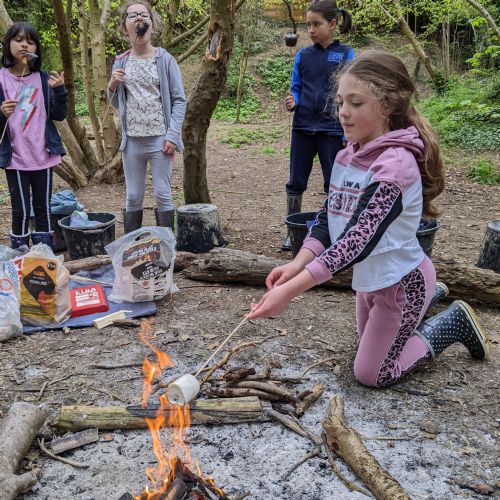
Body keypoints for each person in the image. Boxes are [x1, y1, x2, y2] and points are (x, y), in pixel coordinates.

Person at [249, 51, 490, 388]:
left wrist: (290, 291)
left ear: (387, 107)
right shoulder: (351, 152)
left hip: (401, 283)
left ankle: (450, 323)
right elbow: (329, 217)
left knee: (372, 373)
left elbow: (356, 240)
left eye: (355, 103)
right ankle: (426, 302)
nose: (343, 112)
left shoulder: (394, 167)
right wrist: (298, 263)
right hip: (371, 282)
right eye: (340, 102)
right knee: (367, 346)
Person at [107, 0, 187, 233]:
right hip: (131, 141)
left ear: (153, 26)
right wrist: (112, 85)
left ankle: (166, 246)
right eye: (132, 16)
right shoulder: (121, 61)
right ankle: (132, 249)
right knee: (133, 197)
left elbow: (180, 99)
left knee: (162, 194)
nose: (139, 20)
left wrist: (172, 134)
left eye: (144, 15)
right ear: (125, 28)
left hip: (160, 140)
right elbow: (115, 103)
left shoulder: (165, 59)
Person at [282, 0, 354, 250]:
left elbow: (350, 93)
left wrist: (347, 130)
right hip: (302, 127)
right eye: (308, 25)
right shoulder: (303, 54)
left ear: (332, 24)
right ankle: (292, 234)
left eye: (316, 24)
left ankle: (334, 231)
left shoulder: (346, 54)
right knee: (295, 181)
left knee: (332, 182)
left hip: (332, 129)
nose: (310, 30)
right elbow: (296, 87)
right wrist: (294, 100)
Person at [0, 22, 67, 250]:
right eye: (18, 40)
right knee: (19, 210)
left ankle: (43, 255)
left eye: (30, 41)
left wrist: (59, 90)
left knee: (43, 208)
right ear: (8, 44)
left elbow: (58, 114)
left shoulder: (43, 78)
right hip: (16, 158)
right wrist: (1, 113)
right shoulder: (1, 78)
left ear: (36, 48)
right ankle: (20, 255)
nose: (24, 45)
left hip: (42, 155)